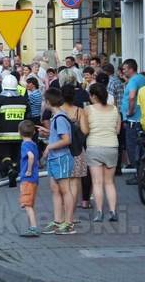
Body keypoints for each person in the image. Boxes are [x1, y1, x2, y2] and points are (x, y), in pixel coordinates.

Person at [80, 83, 121, 222]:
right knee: (109, 182)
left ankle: (99, 213)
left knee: (97, 182)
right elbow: (117, 130)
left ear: (93, 96)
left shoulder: (88, 109)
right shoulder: (115, 109)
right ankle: (113, 211)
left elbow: (85, 131)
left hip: (94, 147)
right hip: (112, 147)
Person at [40, 88, 76, 235]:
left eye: (44, 101)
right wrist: (48, 133)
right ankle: (58, 221)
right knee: (55, 190)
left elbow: (66, 140)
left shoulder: (60, 117)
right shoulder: (58, 117)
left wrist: (49, 146)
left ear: (49, 102)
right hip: (55, 158)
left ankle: (68, 223)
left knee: (65, 190)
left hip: (61, 157)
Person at [0, 75, 30, 187]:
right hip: (19, 136)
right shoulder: (23, 100)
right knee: (15, 157)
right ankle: (13, 171)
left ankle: (10, 169)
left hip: (2, 137)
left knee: (4, 156)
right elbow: (28, 118)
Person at [60, 83, 91, 213]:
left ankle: (63, 211)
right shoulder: (79, 111)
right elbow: (85, 131)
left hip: (60, 150)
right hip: (76, 150)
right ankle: (72, 213)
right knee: (74, 182)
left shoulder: (58, 111)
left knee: (62, 182)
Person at [121, 59, 145, 184]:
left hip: (133, 119)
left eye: (125, 68)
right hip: (143, 118)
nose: (123, 70)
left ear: (131, 69)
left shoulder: (133, 81)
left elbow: (132, 96)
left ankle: (139, 175)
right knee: (143, 148)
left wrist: (130, 111)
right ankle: (144, 173)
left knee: (132, 147)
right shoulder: (142, 78)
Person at [18, 120, 40, 237]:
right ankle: (32, 226)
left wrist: (29, 170)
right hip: (34, 179)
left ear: (19, 133)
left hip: (28, 178)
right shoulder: (33, 144)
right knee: (29, 204)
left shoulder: (25, 145)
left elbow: (30, 156)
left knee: (27, 205)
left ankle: (33, 227)